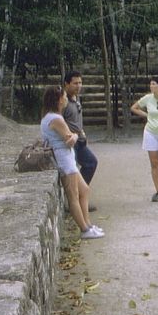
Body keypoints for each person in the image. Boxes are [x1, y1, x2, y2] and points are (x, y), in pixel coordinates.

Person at [40, 86, 103, 239]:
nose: (66, 99)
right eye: (64, 97)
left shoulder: (49, 117)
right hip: (65, 160)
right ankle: (84, 229)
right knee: (73, 195)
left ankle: (88, 224)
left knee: (84, 190)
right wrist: (75, 135)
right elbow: (69, 140)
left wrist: (72, 135)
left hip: (66, 159)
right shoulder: (56, 119)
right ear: (59, 100)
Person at [62, 70, 98, 212]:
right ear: (66, 84)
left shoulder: (76, 98)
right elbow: (58, 121)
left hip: (80, 140)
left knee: (91, 163)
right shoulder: (63, 101)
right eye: (75, 83)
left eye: (80, 83)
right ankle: (74, 202)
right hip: (71, 141)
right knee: (73, 172)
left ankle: (80, 198)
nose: (79, 86)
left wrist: (82, 132)